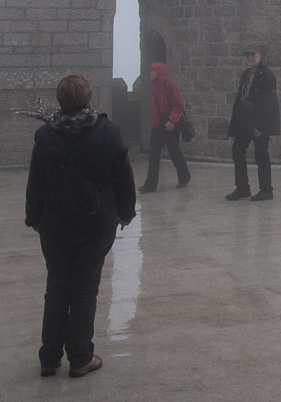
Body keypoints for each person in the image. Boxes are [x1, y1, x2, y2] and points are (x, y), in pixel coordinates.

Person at [24, 71, 136, 379]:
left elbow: (36, 183)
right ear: (88, 99)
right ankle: (80, 358)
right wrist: (126, 212)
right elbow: (123, 178)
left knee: (57, 286)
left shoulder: (46, 136)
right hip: (95, 223)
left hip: (55, 225)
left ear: (60, 101)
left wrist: (33, 217)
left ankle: (49, 358)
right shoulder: (109, 133)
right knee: (85, 289)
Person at [226, 44, 280, 202]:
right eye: (248, 55)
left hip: (259, 122)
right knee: (237, 149)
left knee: (261, 155)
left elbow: (269, 103)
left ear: (260, 56)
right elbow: (242, 97)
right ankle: (242, 188)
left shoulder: (267, 75)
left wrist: (261, 127)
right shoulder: (245, 75)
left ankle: (266, 190)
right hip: (244, 121)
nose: (250, 57)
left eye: (253, 54)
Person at [138, 61, 191, 193]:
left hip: (171, 125)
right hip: (159, 125)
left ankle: (184, 177)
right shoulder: (155, 87)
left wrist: (172, 121)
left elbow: (177, 105)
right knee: (154, 153)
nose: (150, 72)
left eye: (153, 70)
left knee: (173, 151)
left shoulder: (169, 86)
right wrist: (155, 124)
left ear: (159, 72)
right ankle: (150, 184)